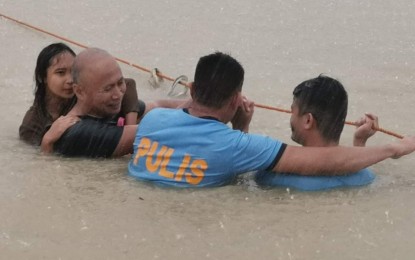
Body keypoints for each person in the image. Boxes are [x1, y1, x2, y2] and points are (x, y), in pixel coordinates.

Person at [127, 52, 415, 188]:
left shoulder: (152, 120)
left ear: (191, 89)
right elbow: (324, 162)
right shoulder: (242, 148)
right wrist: (392, 148)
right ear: (235, 100)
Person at [45, 47, 186, 157]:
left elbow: (158, 106)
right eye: (108, 89)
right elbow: (152, 132)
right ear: (80, 91)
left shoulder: (106, 106)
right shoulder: (77, 131)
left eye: (120, 83)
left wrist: (198, 99)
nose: (118, 94)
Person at [255, 75, 377, 191]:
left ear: (308, 120)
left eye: (292, 112)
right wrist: (359, 144)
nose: (291, 118)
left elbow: (241, 181)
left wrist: (241, 127)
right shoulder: (365, 176)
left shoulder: (273, 176)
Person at [19, 43, 144, 147]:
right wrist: (47, 139)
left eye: (73, 72)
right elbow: (37, 162)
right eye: (61, 73)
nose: (70, 79)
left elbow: (129, 84)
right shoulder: (31, 124)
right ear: (42, 77)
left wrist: (130, 127)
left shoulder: (81, 94)